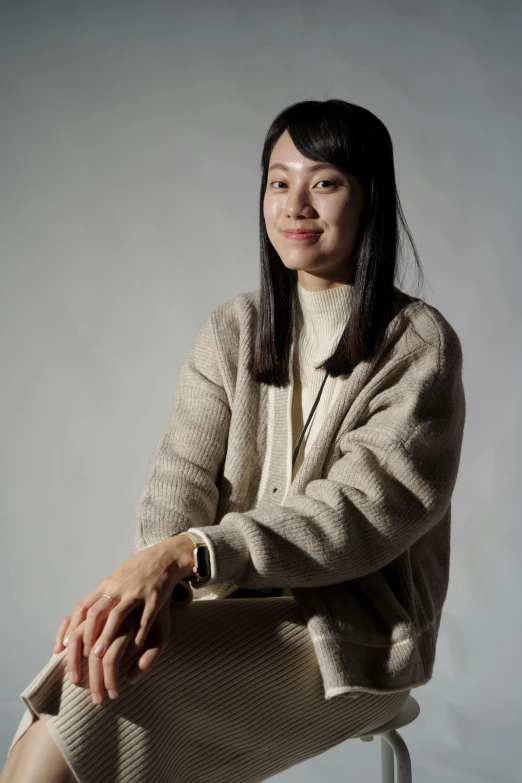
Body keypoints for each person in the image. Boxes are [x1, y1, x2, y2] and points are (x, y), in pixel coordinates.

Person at [1, 99, 466, 783]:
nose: (295, 205)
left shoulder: (417, 344)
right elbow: (178, 480)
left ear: (371, 195)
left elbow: (360, 513)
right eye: (279, 182)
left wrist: (192, 553)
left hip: (349, 643)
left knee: (93, 696)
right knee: (86, 664)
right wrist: (155, 591)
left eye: (326, 182)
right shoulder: (233, 329)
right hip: (221, 615)